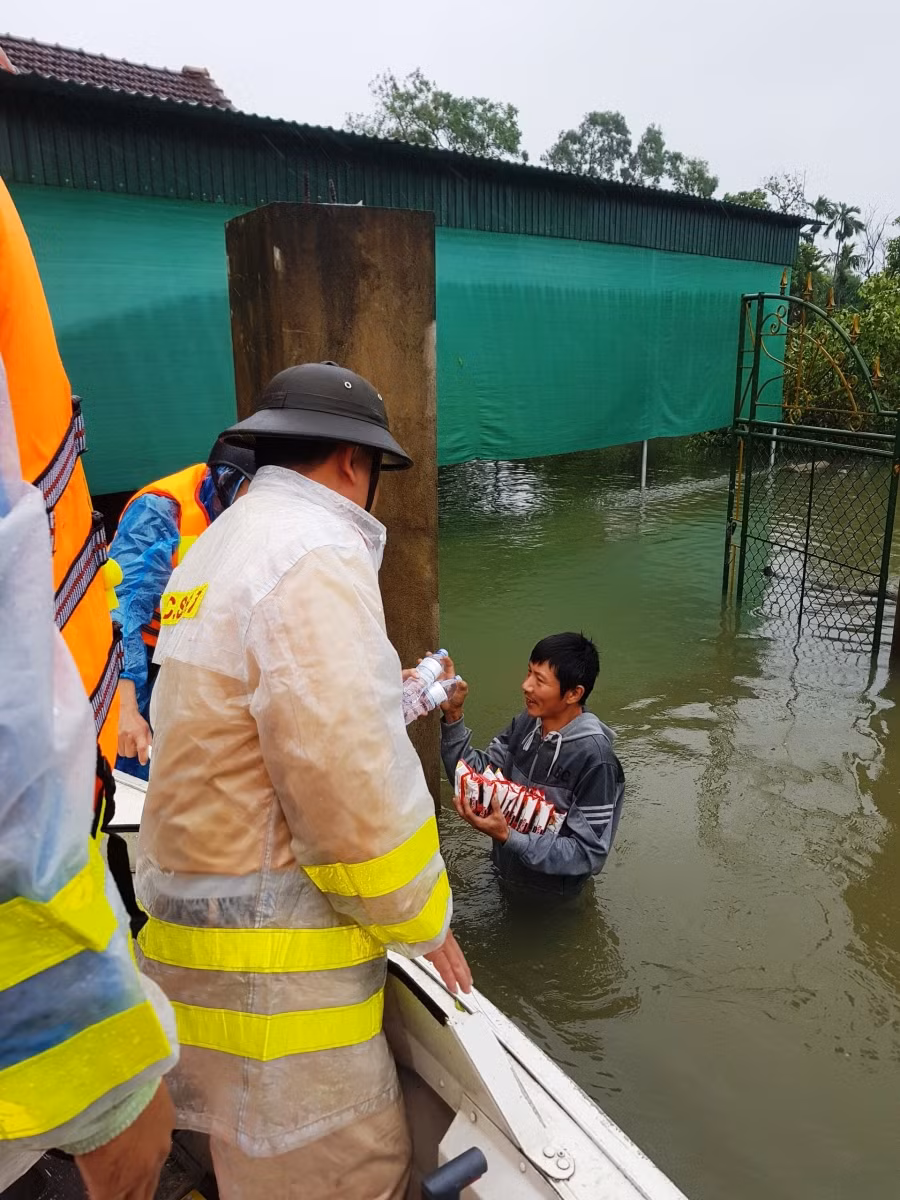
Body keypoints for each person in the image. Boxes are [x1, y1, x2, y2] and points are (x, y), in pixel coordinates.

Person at [135, 361, 471, 1200]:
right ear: (357, 465)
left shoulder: (216, 546)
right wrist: (426, 917)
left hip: (199, 977)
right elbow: (349, 792)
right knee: (351, 1177)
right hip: (286, 1015)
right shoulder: (315, 553)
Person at [0, 172, 177, 1199]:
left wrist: (124, 723)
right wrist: (102, 1078)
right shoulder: (168, 515)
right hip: (33, 1025)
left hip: (96, 761)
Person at [110, 438, 256, 778]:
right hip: (142, 658)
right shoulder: (159, 512)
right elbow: (123, 612)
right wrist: (125, 706)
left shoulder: (258, 519)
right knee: (139, 764)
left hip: (203, 659)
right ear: (227, 481)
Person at [441, 632, 625, 898]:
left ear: (574, 693)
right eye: (529, 673)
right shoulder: (526, 724)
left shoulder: (597, 760)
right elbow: (476, 779)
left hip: (552, 899)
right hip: (504, 870)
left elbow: (587, 855)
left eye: (540, 680)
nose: (526, 686)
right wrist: (453, 715)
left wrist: (509, 837)